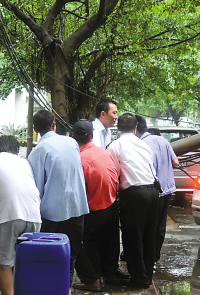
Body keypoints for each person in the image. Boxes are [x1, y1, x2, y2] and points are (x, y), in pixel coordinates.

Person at [27, 110, 89, 286]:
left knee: (51, 256)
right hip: (77, 207)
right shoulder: (71, 142)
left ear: (35, 129)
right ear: (54, 124)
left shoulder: (37, 152)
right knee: (71, 253)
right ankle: (65, 287)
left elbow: (37, 187)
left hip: (52, 213)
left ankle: (52, 287)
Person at [0, 135, 41, 295]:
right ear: (16, 150)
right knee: (24, 260)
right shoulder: (24, 162)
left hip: (8, 216)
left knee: (3, 263)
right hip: (34, 216)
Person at [107, 113, 159, 289]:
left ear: (118, 128)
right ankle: (146, 275)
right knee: (149, 236)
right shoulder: (143, 145)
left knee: (132, 237)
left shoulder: (115, 146)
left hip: (134, 194)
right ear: (135, 128)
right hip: (152, 192)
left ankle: (139, 278)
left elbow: (113, 173)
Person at [71, 119, 123, 292]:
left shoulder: (79, 159)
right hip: (111, 203)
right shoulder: (103, 151)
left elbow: (77, 189)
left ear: (73, 137)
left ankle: (91, 278)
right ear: (92, 136)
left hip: (96, 207)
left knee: (76, 241)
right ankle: (107, 274)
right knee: (106, 241)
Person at [135, 115, 179, 262]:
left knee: (149, 226)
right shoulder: (163, 140)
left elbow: (148, 167)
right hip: (168, 189)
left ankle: (147, 258)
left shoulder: (142, 145)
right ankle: (155, 256)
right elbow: (176, 162)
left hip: (154, 191)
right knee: (160, 225)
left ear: (135, 130)